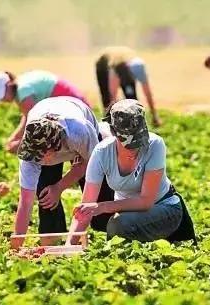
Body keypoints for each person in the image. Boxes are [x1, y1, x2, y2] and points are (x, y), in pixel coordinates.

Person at [67, 99, 196, 245]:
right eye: (128, 142)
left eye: (138, 140)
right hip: (128, 214)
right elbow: (86, 208)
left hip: (164, 208)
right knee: (118, 224)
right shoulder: (101, 152)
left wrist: (103, 207)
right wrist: (68, 246)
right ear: (113, 133)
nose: (134, 148)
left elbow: (146, 202)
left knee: (118, 224)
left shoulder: (155, 144)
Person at [10, 96, 114, 249]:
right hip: (44, 110)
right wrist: (15, 248)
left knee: (99, 202)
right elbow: (25, 203)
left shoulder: (79, 132)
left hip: (79, 122)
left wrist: (59, 187)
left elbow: (92, 166)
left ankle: (111, 239)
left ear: (52, 151)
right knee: (46, 196)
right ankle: (52, 244)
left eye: (39, 156)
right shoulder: (30, 152)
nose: (34, 160)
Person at [0, 70, 91, 153]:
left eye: (2, 95)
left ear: (9, 85)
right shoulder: (21, 85)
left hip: (74, 109)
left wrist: (21, 144)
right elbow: (28, 116)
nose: (2, 100)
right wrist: (14, 137)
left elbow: (38, 124)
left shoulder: (23, 92)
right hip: (75, 106)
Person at [95, 47, 161, 126]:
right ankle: (107, 124)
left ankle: (135, 124)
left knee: (132, 100)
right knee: (107, 100)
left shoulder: (138, 67)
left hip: (123, 65)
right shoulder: (114, 70)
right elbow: (112, 96)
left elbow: (148, 93)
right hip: (103, 64)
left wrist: (154, 115)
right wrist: (114, 121)